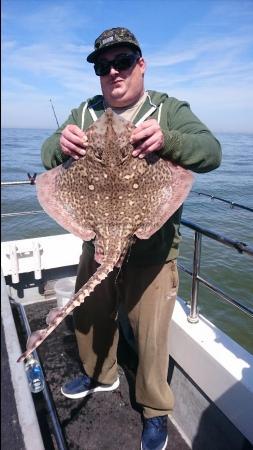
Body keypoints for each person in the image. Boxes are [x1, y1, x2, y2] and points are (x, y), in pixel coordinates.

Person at [41, 27, 221, 450]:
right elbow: (48, 155)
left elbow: (210, 152)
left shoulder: (167, 109)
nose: (113, 72)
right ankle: (100, 374)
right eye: (104, 67)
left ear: (140, 64)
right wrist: (58, 144)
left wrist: (169, 139)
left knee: (151, 337)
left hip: (153, 251)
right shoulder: (85, 113)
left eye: (122, 62)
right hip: (98, 237)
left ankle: (155, 410)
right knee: (89, 320)